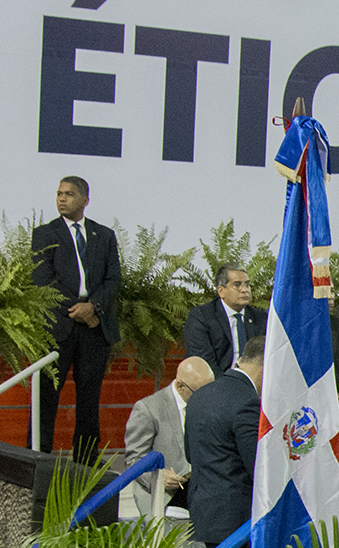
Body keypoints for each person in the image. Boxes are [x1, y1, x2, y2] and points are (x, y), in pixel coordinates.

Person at [31, 175, 122, 465]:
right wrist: (78, 309)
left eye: (68, 194)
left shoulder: (104, 235)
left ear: (84, 199)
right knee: (47, 397)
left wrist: (93, 306)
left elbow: (113, 279)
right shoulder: (45, 234)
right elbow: (42, 280)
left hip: (95, 329)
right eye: (58, 193)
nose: (61, 198)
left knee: (88, 400)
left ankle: (85, 462)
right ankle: (39, 457)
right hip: (60, 327)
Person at [186, 336, 264, 548]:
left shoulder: (200, 396)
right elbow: (258, 467)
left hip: (207, 514)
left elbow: (190, 453)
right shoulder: (247, 402)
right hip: (239, 520)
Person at [121, 355, 213, 517]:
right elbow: (134, 460)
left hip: (203, 492)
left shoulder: (209, 406)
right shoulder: (148, 409)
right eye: (201, 393)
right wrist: (158, 477)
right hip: (167, 497)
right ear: (180, 386)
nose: (207, 399)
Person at [183, 264, 266, 376]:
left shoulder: (260, 318)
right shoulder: (202, 317)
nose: (244, 290)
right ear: (221, 291)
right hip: (216, 384)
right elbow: (204, 364)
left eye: (247, 285)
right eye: (237, 285)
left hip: (252, 385)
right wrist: (225, 388)